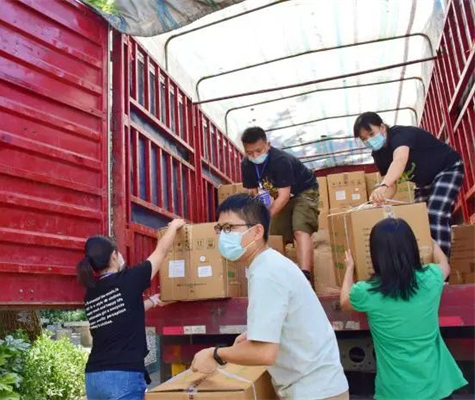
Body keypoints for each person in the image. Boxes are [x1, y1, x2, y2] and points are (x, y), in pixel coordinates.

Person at [191, 194, 349, 400]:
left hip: (314, 392)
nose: (223, 236)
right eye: (220, 229)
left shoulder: (266, 273)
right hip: (321, 387)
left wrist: (215, 354)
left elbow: (264, 353)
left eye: (229, 228)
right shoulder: (270, 264)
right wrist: (257, 332)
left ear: (257, 231)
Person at [340, 218, 467, 400]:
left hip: (397, 392)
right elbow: (445, 265)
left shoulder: (368, 292)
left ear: (376, 254)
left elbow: (344, 301)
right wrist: (431, 242)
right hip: (437, 387)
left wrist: (349, 269)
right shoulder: (431, 279)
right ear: (413, 247)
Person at [79, 219, 186, 400]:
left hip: (94, 377)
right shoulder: (128, 279)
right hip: (123, 376)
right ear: (114, 256)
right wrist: (174, 226)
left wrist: (152, 301)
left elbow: (122, 313)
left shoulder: (91, 292)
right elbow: (160, 252)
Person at [353, 112, 464, 257]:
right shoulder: (378, 155)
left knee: (435, 214)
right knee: (420, 219)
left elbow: (400, 160)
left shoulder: (399, 135)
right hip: (424, 182)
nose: (369, 140)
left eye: (371, 134)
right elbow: (392, 185)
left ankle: (442, 266)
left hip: (447, 169)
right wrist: (379, 199)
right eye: (364, 139)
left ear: (382, 127)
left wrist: (383, 186)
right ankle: (430, 260)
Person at [240, 126, 319, 281]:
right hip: (279, 196)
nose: (254, 156)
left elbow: (284, 197)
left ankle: (305, 277)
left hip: (304, 191)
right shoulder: (247, 164)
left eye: (258, 151)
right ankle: (277, 276)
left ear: (268, 145)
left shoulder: (280, 161)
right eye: (249, 153)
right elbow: (252, 191)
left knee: (300, 228)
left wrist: (264, 217)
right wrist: (255, 213)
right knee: (274, 234)